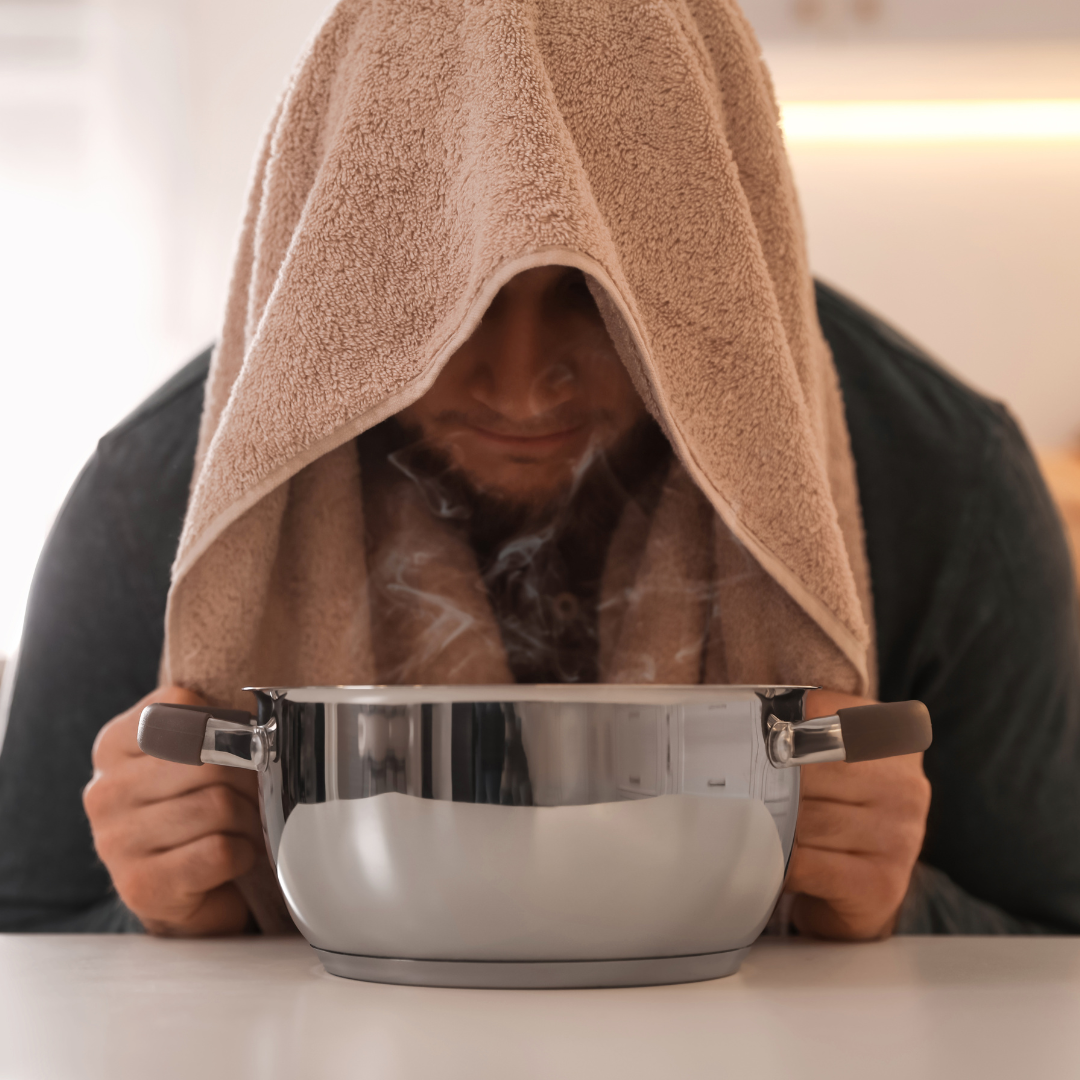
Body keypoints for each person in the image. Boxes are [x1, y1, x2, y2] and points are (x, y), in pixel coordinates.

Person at [1, 0, 1078, 940]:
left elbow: (1055, 935)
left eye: (589, 296)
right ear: (355, 259)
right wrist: (161, 904)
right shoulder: (166, 496)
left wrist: (901, 901)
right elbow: (27, 933)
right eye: (452, 297)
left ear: (693, 263)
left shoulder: (948, 482)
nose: (519, 388)